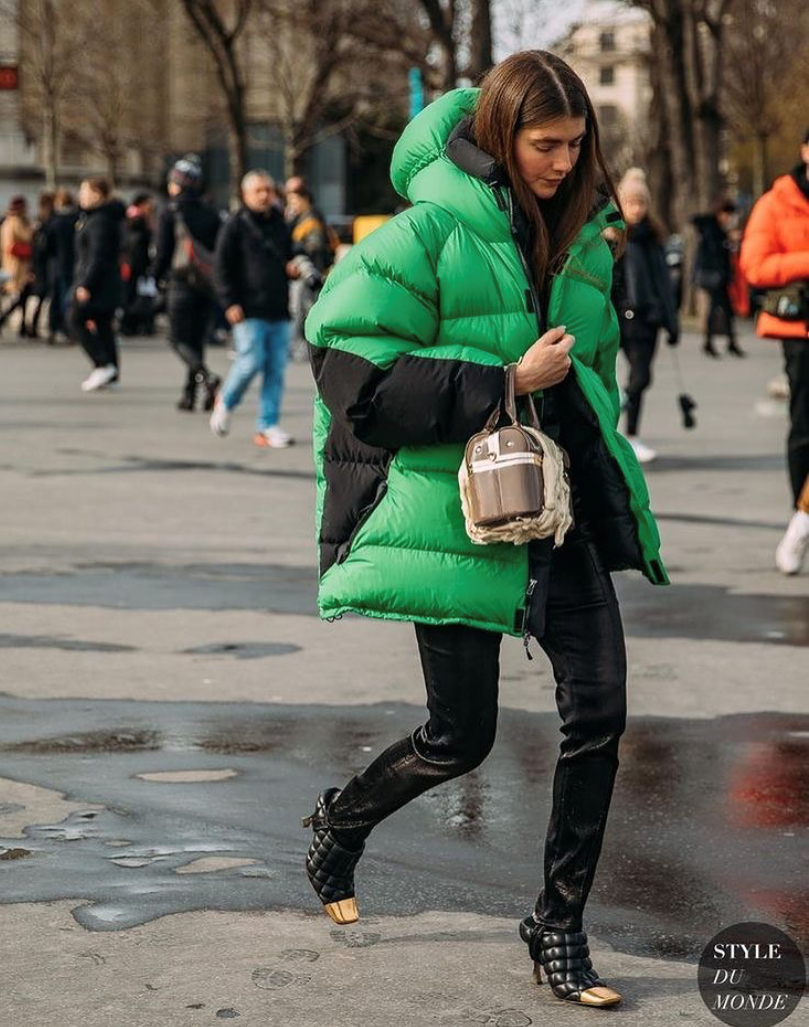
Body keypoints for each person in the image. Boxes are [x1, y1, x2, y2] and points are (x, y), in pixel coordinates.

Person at [301, 50, 668, 1009]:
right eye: (545, 144)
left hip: (561, 511)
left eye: (576, 144)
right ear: (501, 136)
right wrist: (504, 382)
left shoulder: (590, 236)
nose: (561, 161)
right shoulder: (423, 234)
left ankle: (558, 924)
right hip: (461, 517)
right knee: (460, 737)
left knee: (599, 713)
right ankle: (343, 821)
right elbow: (357, 388)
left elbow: (596, 372)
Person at [740, 128, 809, 575]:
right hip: (801, 331)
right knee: (804, 428)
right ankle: (800, 518)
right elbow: (755, 266)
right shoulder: (776, 202)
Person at [209, 170, 300, 447]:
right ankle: (226, 399)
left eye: (267, 190)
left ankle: (268, 425)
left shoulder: (279, 223)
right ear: (245, 195)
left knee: (275, 368)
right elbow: (220, 266)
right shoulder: (235, 225)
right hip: (248, 308)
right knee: (250, 361)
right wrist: (229, 302)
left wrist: (294, 267)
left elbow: (290, 253)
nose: (264, 196)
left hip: (277, 307)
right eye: (258, 191)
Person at [613, 168, 679, 464]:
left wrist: (671, 321)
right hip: (622, 317)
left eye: (641, 203)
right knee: (633, 378)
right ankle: (620, 424)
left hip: (648, 318)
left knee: (642, 378)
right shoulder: (612, 237)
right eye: (631, 202)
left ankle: (632, 434)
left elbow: (664, 283)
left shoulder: (653, 237)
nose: (636, 209)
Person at [152, 156, 222, 412]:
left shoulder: (170, 211)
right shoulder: (210, 212)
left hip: (180, 282)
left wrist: (155, 276)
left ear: (177, 184)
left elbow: (163, 251)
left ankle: (206, 377)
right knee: (196, 340)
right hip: (205, 284)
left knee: (176, 338)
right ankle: (191, 395)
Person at [69, 177, 125, 392]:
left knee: (75, 318)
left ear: (98, 194)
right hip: (105, 281)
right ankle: (111, 372)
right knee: (103, 325)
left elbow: (97, 256)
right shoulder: (97, 218)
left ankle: (101, 364)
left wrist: (86, 284)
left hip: (97, 282)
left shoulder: (99, 220)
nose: (81, 196)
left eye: (85, 191)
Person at [692, 198, 744, 358]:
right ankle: (712, 343)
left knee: (725, 310)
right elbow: (714, 251)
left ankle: (728, 342)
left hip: (719, 276)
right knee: (715, 310)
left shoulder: (717, 229)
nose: (729, 219)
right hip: (713, 276)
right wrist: (727, 240)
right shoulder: (712, 229)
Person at [286, 181, 330, 361]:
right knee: (302, 309)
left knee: (302, 309)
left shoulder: (310, 219)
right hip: (306, 271)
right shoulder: (300, 217)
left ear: (304, 199)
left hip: (311, 272)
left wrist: (301, 255)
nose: (292, 205)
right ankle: (303, 345)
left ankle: (302, 345)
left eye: (295, 201)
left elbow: (315, 246)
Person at [0, 195, 34, 336]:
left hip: (9, 264)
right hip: (17, 265)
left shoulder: (6, 222)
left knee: (22, 295)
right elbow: (26, 236)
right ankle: (0, 320)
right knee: (20, 296)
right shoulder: (16, 221)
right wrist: (33, 228)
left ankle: (23, 325)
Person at [120, 192, 155, 336]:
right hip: (136, 265)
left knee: (132, 295)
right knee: (137, 295)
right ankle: (134, 323)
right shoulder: (140, 224)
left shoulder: (129, 223)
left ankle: (131, 324)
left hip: (131, 264)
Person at [47, 188, 78, 344]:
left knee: (57, 297)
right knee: (68, 298)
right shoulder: (78, 219)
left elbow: (47, 246)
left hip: (57, 264)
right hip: (74, 263)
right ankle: (68, 328)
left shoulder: (54, 221)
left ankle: (54, 328)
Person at [27, 192, 55, 340]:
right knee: (42, 294)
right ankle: (32, 325)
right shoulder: (47, 221)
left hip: (38, 263)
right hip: (43, 264)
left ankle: (31, 325)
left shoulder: (39, 220)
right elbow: (42, 246)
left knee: (39, 295)